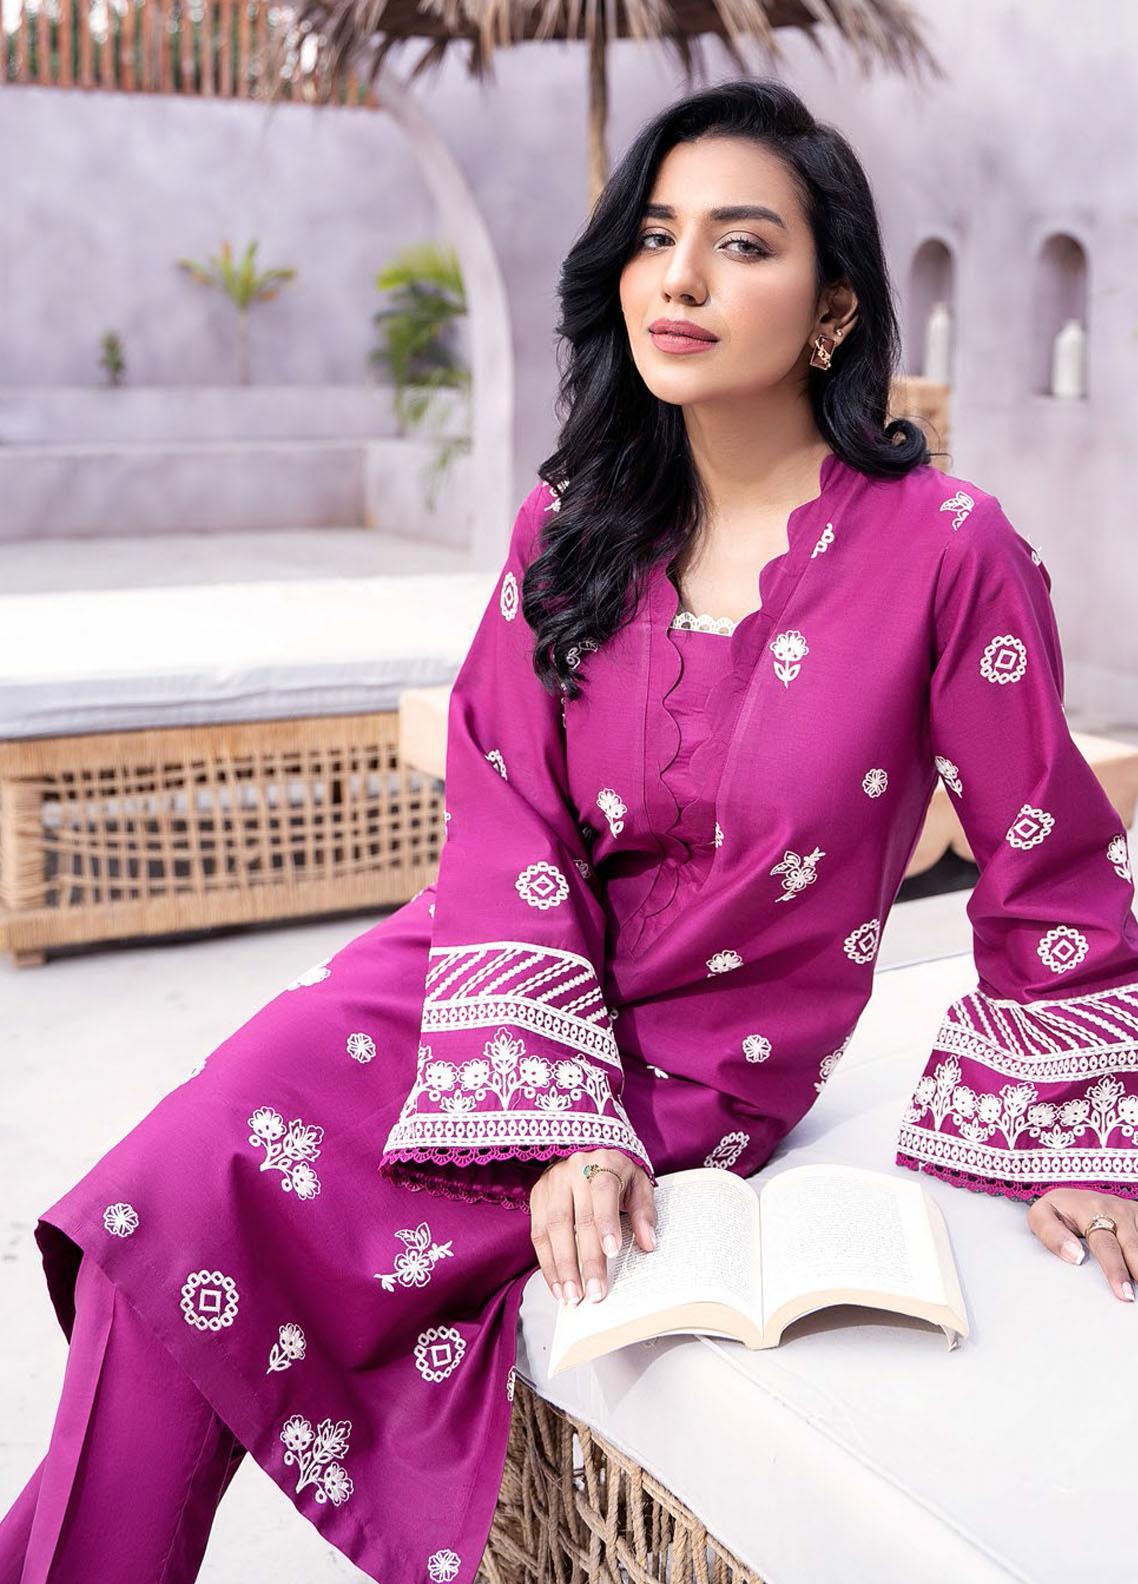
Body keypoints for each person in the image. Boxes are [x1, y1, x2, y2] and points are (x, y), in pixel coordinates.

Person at [3, 74, 1137, 1584]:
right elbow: (504, 808)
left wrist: (1079, 1133)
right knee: (170, 1199)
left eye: (742, 243)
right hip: (481, 993)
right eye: (657, 237)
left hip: (699, 1057)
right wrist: (550, 1109)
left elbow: (1044, 853)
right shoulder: (573, 521)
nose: (681, 277)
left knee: (197, 1251)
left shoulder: (945, 549)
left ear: (834, 313)